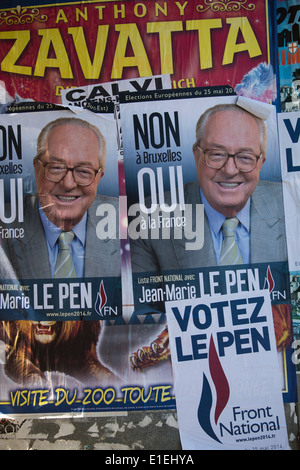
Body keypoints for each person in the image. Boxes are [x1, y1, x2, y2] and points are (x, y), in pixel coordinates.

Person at [131, 103, 287, 273]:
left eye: (245, 157)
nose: (230, 170)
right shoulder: (148, 219)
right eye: (217, 154)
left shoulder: (291, 204)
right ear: (197, 155)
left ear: (260, 163)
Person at [1, 117, 120, 280]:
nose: (68, 184)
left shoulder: (125, 220)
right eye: (56, 168)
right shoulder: (4, 223)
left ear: (99, 177)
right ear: (37, 169)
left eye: (84, 171)